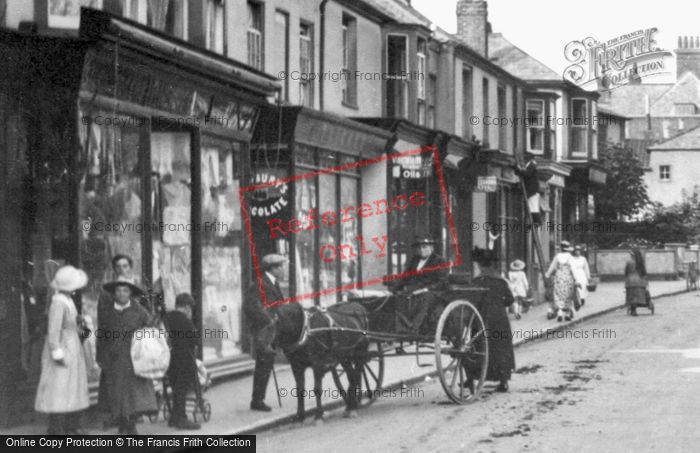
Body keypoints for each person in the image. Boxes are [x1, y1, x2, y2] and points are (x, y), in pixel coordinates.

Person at [34, 265, 90, 435]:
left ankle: (70, 426)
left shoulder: (68, 300)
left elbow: (68, 323)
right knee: (58, 388)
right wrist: (57, 353)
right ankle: (56, 428)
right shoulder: (58, 302)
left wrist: (77, 321)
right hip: (63, 348)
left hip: (72, 346)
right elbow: (53, 331)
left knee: (71, 387)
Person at [97, 279, 158, 434]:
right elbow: (101, 336)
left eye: (125, 291)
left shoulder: (139, 311)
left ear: (130, 293)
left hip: (134, 360)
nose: (121, 294)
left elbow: (150, 330)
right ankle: (122, 423)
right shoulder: (107, 312)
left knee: (133, 394)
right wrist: (101, 357)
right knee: (116, 393)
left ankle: (130, 426)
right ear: (114, 294)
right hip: (114, 359)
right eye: (118, 291)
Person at [243, 253, 287, 412]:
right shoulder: (260, 284)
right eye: (280, 266)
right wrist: (269, 319)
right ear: (273, 268)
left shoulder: (273, 283)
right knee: (263, 366)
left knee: (266, 365)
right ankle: (257, 400)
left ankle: (259, 398)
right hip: (264, 333)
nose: (283, 270)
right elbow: (252, 307)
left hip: (272, 332)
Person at [469, 247, 516, 392]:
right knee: (501, 348)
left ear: (480, 265)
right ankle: (503, 381)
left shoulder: (476, 282)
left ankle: (473, 377)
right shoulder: (501, 282)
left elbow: (471, 301)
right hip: (499, 319)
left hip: (480, 319)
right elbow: (510, 299)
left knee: (478, 347)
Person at [390, 236, 448, 335]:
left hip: (433, 293)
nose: (422, 250)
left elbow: (442, 282)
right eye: (420, 248)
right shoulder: (415, 260)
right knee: (397, 298)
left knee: (424, 297)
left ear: (431, 248)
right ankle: (401, 328)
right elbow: (405, 277)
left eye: (425, 247)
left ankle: (413, 329)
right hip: (414, 290)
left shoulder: (439, 261)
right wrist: (393, 290)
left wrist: (426, 289)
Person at [163, 293, 201, 430]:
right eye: (190, 308)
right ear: (186, 307)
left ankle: (174, 417)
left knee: (175, 388)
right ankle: (182, 418)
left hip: (169, 360)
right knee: (181, 389)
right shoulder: (185, 320)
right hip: (184, 359)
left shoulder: (167, 317)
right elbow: (195, 340)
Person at [545, 241, 577, 321]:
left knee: (558, 294)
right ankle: (566, 314)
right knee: (568, 295)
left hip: (559, 277)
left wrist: (547, 274)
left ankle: (559, 312)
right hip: (567, 278)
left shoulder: (557, 257)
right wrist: (577, 279)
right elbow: (573, 269)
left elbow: (552, 267)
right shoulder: (570, 257)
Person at [515, 152, 541, 224]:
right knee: (532, 206)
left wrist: (519, 170)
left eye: (524, 158)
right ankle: (535, 222)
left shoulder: (531, 165)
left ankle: (536, 222)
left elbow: (527, 174)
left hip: (532, 191)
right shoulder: (530, 165)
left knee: (533, 207)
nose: (523, 159)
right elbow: (525, 173)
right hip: (531, 190)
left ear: (528, 159)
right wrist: (519, 170)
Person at [625, 249, 648, 316]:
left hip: (630, 281)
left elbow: (626, 272)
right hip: (640, 282)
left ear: (633, 255)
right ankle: (634, 309)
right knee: (637, 297)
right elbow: (644, 273)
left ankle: (633, 310)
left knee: (631, 297)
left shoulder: (629, 262)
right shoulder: (641, 262)